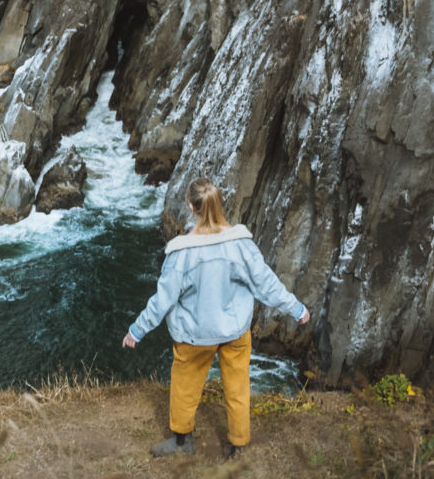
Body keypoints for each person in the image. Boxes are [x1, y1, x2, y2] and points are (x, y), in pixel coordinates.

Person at [122, 176, 310, 458]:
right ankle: (238, 445)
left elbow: (163, 300)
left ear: (191, 206)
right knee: (237, 388)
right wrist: (296, 308)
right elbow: (266, 284)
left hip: (194, 335)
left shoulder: (181, 252)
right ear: (220, 204)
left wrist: (136, 330)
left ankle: (182, 443)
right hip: (234, 332)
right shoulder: (240, 245)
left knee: (185, 387)